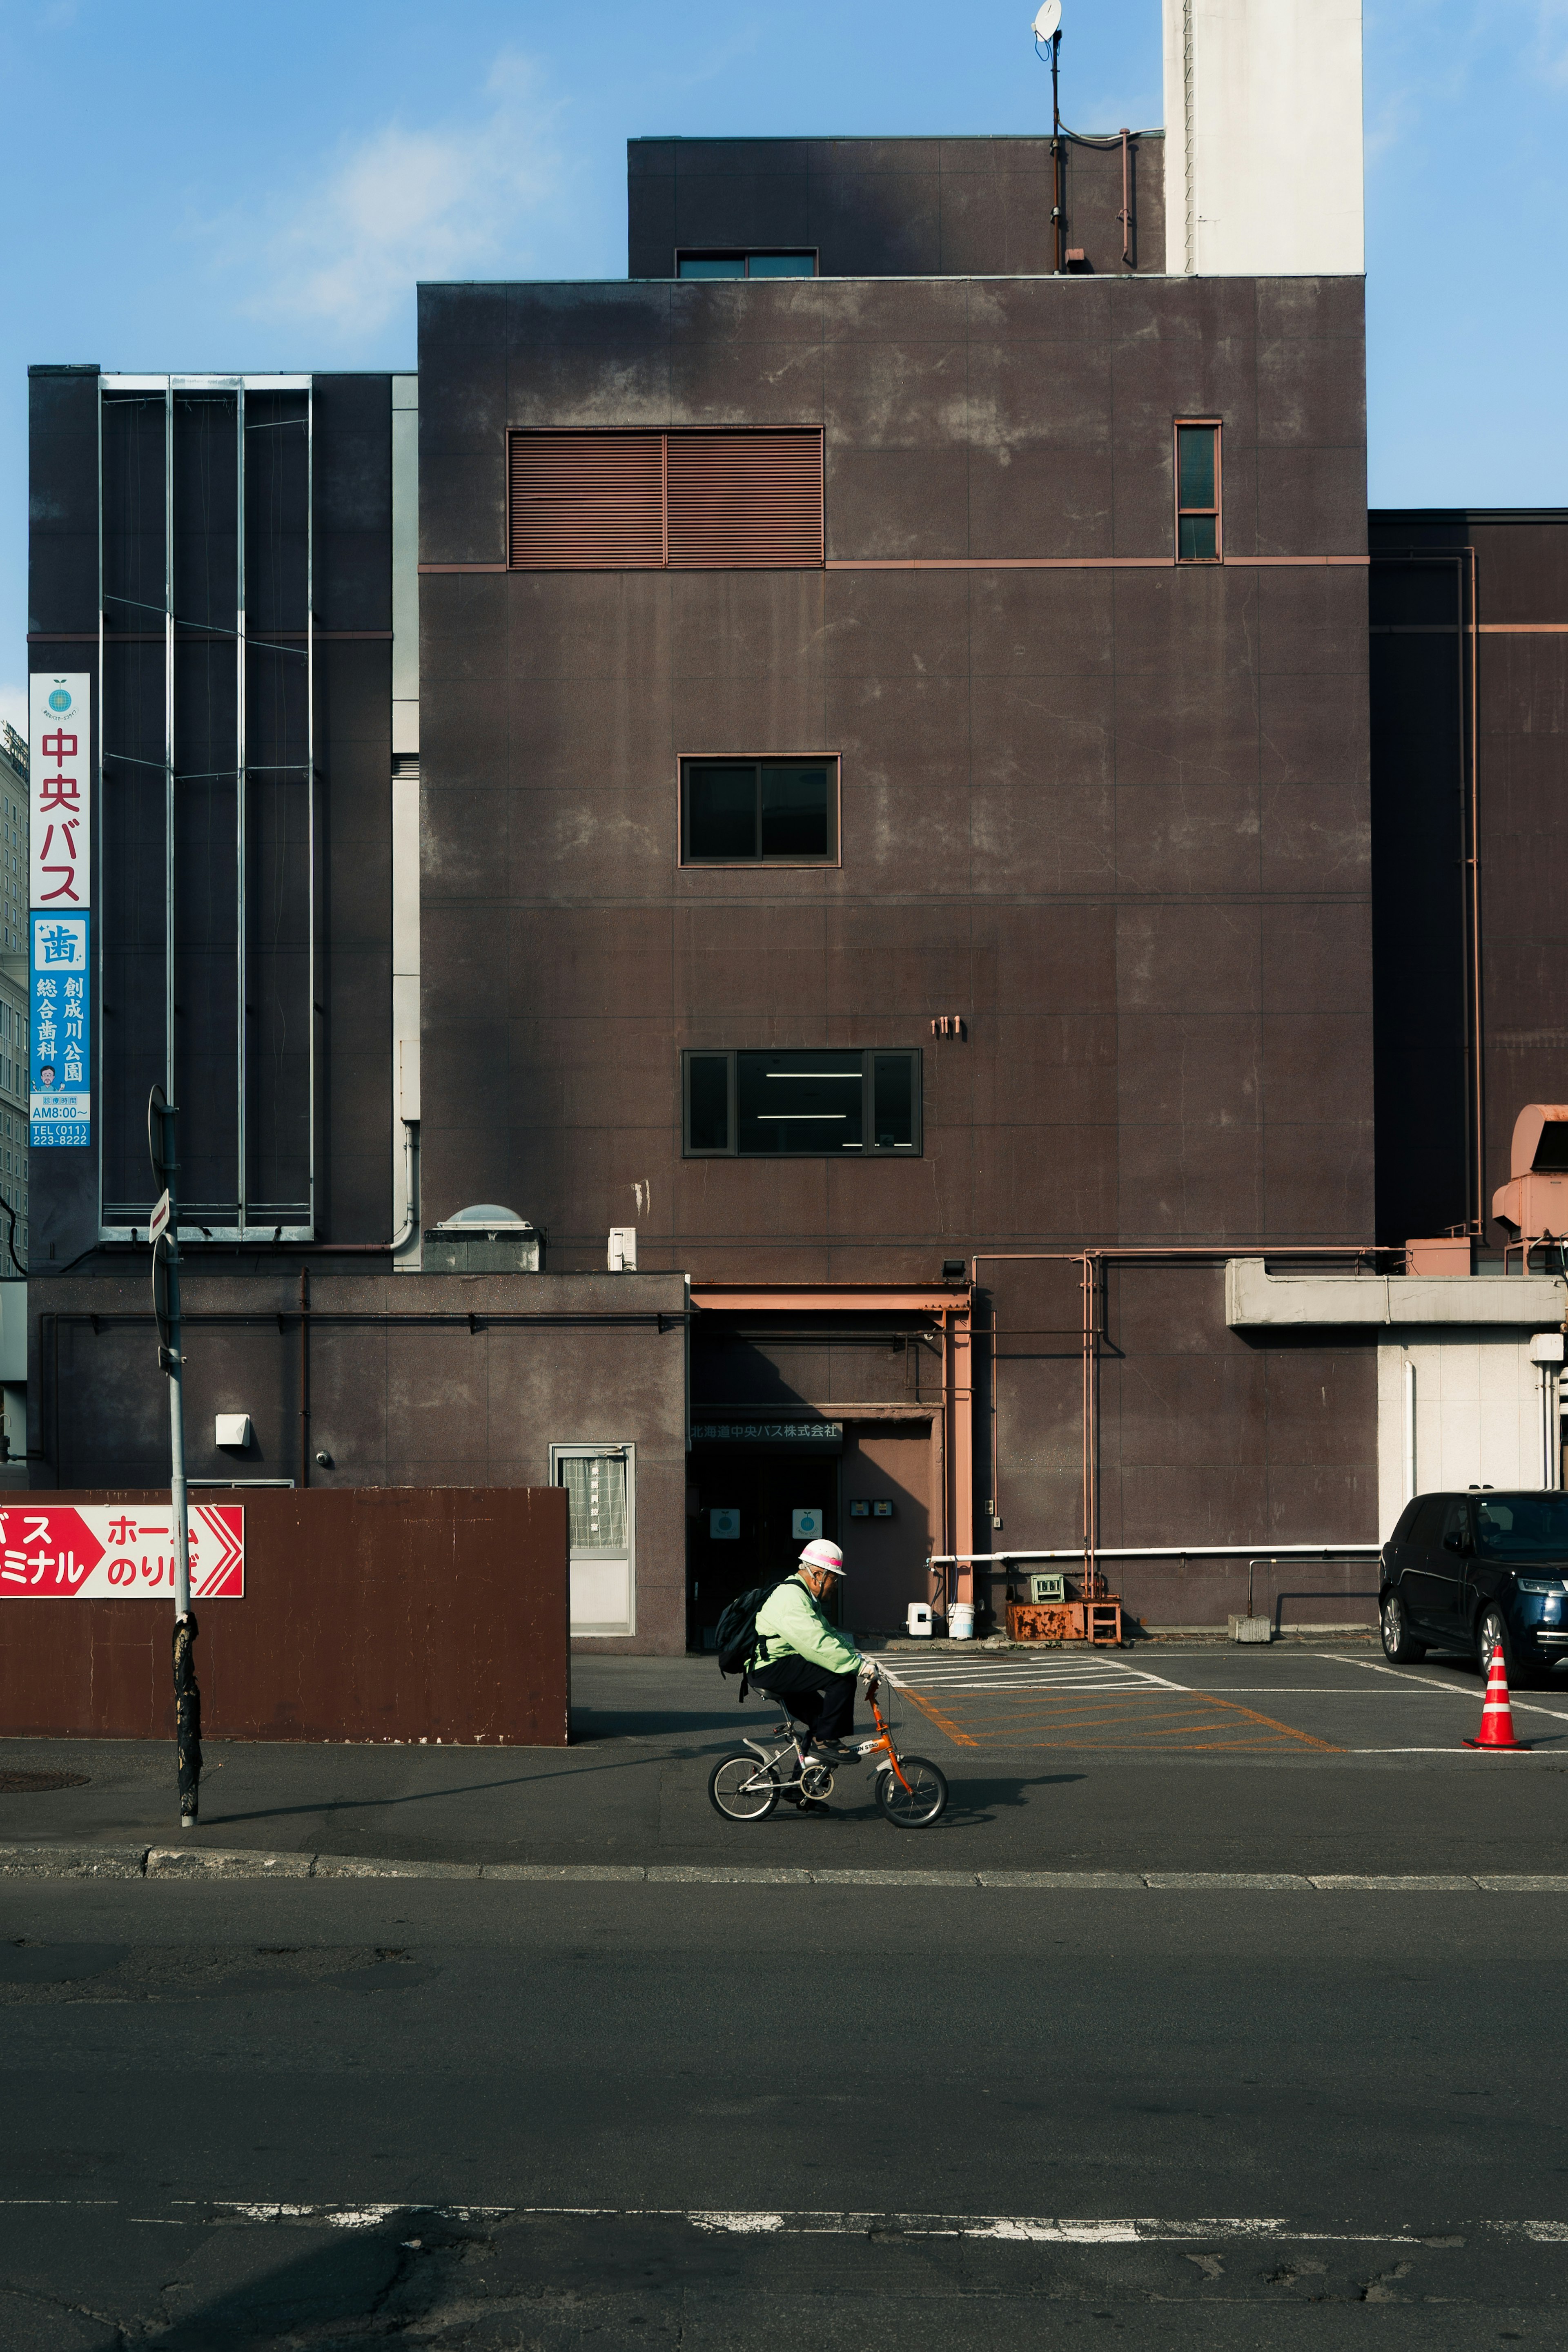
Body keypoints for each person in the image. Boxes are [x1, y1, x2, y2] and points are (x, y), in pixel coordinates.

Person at [747, 1537, 881, 1762]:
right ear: (818, 1575)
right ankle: (827, 1743)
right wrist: (856, 1667)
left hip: (780, 1666)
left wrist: (857, 1656)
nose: (836, 1585)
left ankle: (799, 1790)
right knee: (843, 1678)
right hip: (770, 1668)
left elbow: (828, 1633)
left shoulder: (804, 1596)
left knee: (821, 1721)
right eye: (834, 1579)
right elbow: (815, 1644)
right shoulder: (791, 1599)